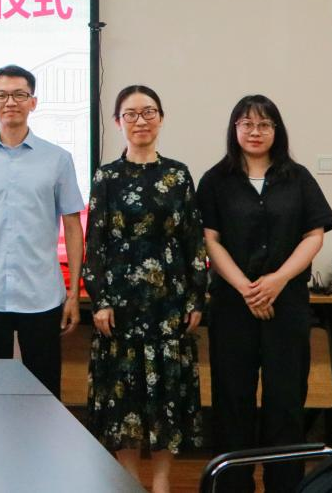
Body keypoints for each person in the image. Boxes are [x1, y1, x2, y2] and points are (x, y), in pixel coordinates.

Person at [198, 94, 332, 493]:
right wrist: (246, 288)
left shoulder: (298, 178)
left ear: (276, 130)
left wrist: (277, 280)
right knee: (232, 402)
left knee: (286, 402)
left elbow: (314, 235)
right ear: (235, 129)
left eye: (264, 124)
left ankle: (285, 487)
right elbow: (209, 239)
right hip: (233, 306)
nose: (255, 132)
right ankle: (233, 486)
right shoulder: (216, 180)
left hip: (287, 304)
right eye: (246, 124)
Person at [82, 85, 206, 493]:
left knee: (167, 394)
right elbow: (95, 244)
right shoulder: (107, 177)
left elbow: (193, 241)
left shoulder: (178, 175)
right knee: (124, 397)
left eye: (149, 112)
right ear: (118, 122)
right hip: (120, 304)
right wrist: (100, 300)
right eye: (131, 114)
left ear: (161, 118)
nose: (140, 121)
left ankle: (163, 480)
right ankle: (131, 481)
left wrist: (195, 297)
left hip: (169, 303)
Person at [0, 63, 85, 396]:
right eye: (1, 96)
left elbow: (72, 226)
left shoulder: (58, 159)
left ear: (33, 102)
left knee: (44, 392)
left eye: (19, 95)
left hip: (42, 296)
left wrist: (73, 294)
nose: (10, 102)